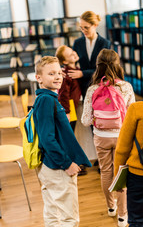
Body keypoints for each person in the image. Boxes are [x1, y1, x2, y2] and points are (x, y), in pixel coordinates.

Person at [33, 56, 92, 227]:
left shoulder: (49, 98)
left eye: (59, 72)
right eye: (51, 73)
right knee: (69, 219)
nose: (58, 77)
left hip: (51, 166)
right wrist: (67, 164)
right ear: (39, 78)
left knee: (53, 212)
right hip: (58, 168)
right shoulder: (46, 100)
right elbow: (47, 139)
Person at [81, 49, 135, 227]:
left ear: (97, 67)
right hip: (121, 137)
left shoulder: (92, 89)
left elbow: (85, 120)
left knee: (105, 172)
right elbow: (132, 116)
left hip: (101, 137)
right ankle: (122, 216)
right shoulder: (126, 87)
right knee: (121, 174)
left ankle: (110, 207)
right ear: (117, 65)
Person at [114, 55, 143, 227]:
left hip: (140, 177)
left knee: (137, 221)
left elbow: (122, 149)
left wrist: (118, 179)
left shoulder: (137, 108)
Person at [69, 10, 111, 100]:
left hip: (101, 85)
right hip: (84, 87)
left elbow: (105, 69)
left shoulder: (105, 44)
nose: (83, 31)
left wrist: (83, 73)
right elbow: (71, 60)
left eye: (86, 27)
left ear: (95, 25)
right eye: (81, 28)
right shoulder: (77, 43)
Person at [55, 45, 81, 131]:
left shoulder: (77, 69)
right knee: (70, 130)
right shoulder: (65, 75)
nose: (74, 53)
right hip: (70, 107)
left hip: (74, 105)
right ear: (65, 61)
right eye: (70, 55)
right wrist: (67, 112)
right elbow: (63, 94)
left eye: (73, 51)